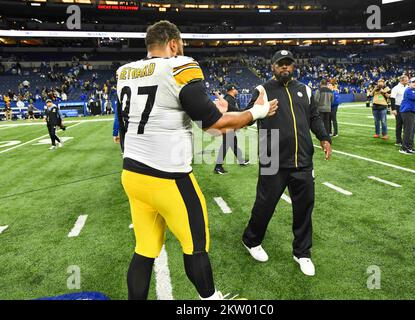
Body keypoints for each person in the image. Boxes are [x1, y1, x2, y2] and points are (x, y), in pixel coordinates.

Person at [117, 20, 278, 300]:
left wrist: (215, 108)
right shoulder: (180, 66)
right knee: (196, 246)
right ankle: (211, 300)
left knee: (144, 249)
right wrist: (257, 113)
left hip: (132, 175)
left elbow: (159, 110)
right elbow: (215, 127)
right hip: (168, 178)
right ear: (173, 44)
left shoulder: (125, 72)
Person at [241, 50, 332, 276]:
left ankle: (302, 252)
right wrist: (258, 111)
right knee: (265, 205)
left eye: (288, 64)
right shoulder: (262, 90)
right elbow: (248, 117)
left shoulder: (304, 89)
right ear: (273, 66)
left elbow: (313, 117)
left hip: (302, 159)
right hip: (272, 158)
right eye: (280, 64)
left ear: (293, 66)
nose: (285, 68)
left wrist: (324, 137)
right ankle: (251, 240)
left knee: (304, 209)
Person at [214, 84, 249, 174]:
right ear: (232, 90)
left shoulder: (228, 98)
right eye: (236, 89)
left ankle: (241, 160)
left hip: (228, 125)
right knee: (226, 144)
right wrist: (244, 116)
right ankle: (218, 167)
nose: (237, 91)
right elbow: (233, 112)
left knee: (233, 143)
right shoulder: (229, 99)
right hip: (228, 126)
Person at [399, 77, 415, 155]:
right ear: (409, 83)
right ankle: (404, 148)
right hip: (408, 112)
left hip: (413, 112)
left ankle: (409, 147)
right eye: (413, 82)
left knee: (412, 131)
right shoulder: (409, 90)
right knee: (408, 131)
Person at [390, 75, 409, 146]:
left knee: (406, 124)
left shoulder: (407, 87)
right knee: (399, 124)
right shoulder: (396, 88)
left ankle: (405, 140)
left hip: (406, 107)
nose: (407, 81)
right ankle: (398, 140)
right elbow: (392, 98)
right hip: (398, 107)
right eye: (406, 80)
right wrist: (393, 109)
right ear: (401, 80)